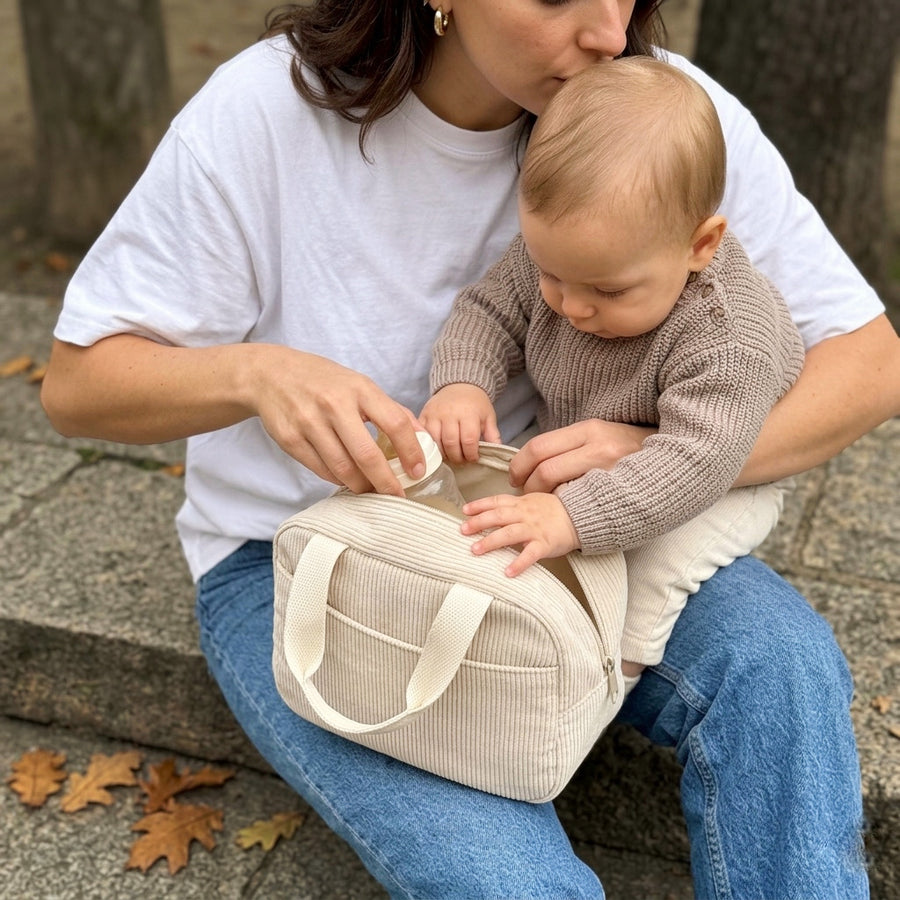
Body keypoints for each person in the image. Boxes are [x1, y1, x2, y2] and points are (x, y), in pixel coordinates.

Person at [39, 1, 897, 896]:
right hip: (304, 555)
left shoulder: (662, 120)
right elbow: (78, 384)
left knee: (779, 667)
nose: (608, 32)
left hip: (572, 535)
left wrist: (653, 452)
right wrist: (255, 374)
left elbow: (872, 365)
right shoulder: (266, 112)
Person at [421, 57, 805, 693]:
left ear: (700, 245)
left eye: (607, 289)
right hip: (611, 452)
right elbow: (489, 309)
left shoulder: (729, 334)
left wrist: (572, 518)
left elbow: (698, 459)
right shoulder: (575, 261)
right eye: (552, 277)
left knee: (649, 570)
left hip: (723, 475)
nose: (571, 306)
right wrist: (462, 382)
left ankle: (600, 687)